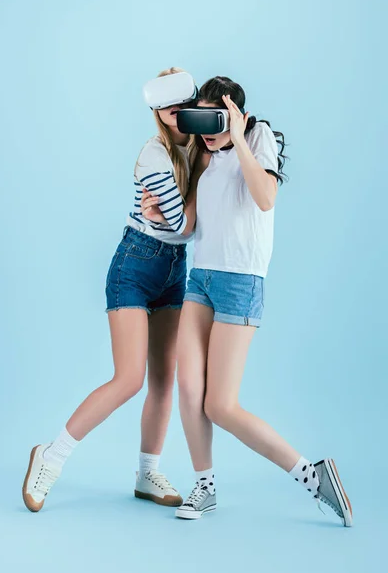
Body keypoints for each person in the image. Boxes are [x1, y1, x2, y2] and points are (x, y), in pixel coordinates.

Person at [141, 76, 353, 526]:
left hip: (241, 281)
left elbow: (265, 198)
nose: (206, 129)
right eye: (200, 119)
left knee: (221, 405)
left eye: (216, 118)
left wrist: (237, 138)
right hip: (201, 279)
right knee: (188, 388)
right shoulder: (203, 153)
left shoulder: (257, 138)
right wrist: (161, 215)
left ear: (236, 113)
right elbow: (189, 227)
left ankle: (313, 477)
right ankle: (205, 486)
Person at [22, 67, 204, 512]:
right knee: (129, 379)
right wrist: (185, 203)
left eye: (185, 110)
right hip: (135, 265)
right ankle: (49, 456)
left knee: (163, 381)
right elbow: (184, 224)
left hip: (174, 269)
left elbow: (184, 225)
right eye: (170, 111)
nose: (179, 119)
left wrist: (184, 201)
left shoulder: (204, 148)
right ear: (158, 114)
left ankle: (147, 473)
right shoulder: (153, 156)